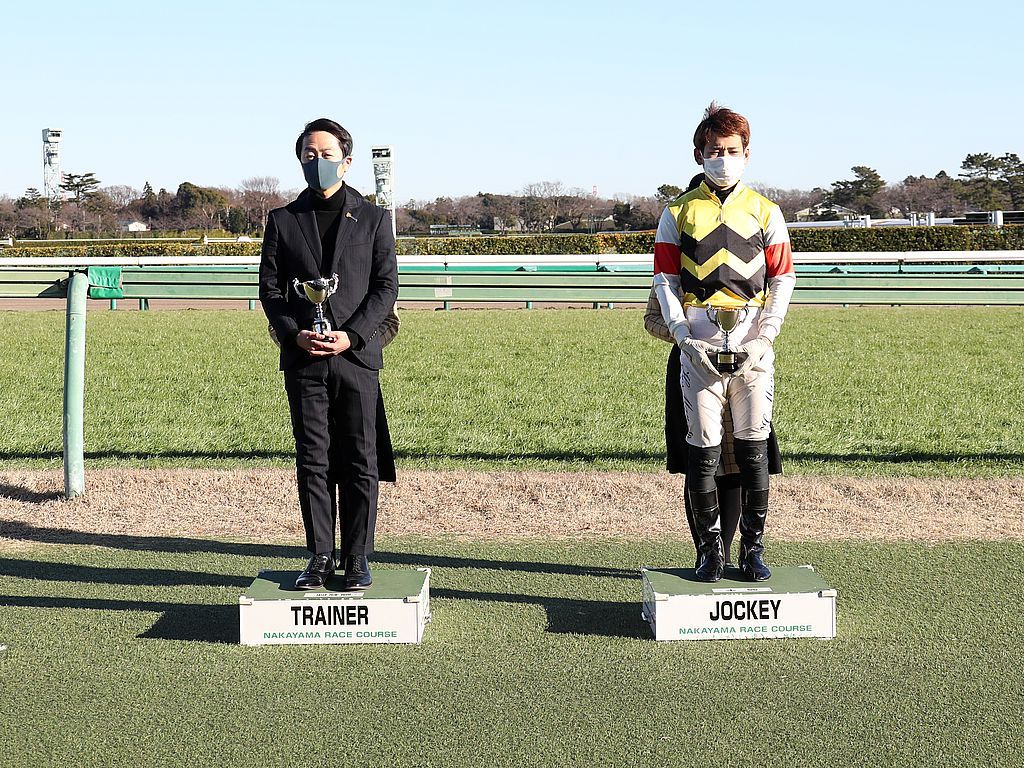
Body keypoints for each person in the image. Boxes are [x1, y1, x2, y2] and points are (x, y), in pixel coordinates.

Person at [652, 103, 796, 583]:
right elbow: (665, 280)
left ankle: (753, 550)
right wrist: (681, 335)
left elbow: (783, 278)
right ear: (699, 154)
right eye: (715, 150)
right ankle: (709, 552)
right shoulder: (677, 212)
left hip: (753, 344)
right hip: (698, 343)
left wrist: (767, 336)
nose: (724, 158)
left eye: (732, 150)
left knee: (754, 451)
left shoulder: (766, 211)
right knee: (703, 452)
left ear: (746, 154)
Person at [259, 118, 399, 590]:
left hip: (356, 359)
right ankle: (320, 555)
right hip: (304, 359)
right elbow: (270, 290)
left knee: (360, 459)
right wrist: (294, 334)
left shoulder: (374, 219)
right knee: (312, 459)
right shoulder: (282, 220)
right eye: (309, 154)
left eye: (326, 153)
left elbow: (385, 288)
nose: (317, 161)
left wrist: (352, 336)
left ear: (347, 160)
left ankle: (357, 557)